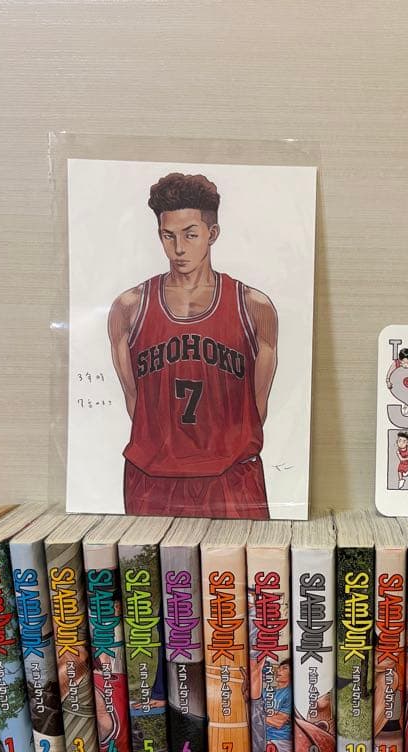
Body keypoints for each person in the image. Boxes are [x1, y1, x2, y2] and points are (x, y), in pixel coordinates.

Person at [108, 172, 278, 518]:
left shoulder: (253, 306)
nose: (179, 248)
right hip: (153, 478)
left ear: (212, 234)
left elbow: (257, 407)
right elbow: (133, 400)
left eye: (190, 234)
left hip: (231, 475)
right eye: (168, 235)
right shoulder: (129, 307)